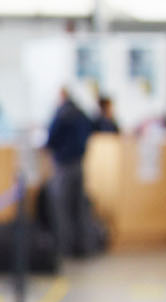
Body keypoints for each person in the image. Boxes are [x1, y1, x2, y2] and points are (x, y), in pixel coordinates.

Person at [44, 87, 95, 257]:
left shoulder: (61, 114)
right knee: (80, 208)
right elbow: (92, 128)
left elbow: (51, 139)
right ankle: (84, 246)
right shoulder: (82, 113)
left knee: (62, 208)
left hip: (64, 166)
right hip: (79, 165)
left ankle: (64, 248)